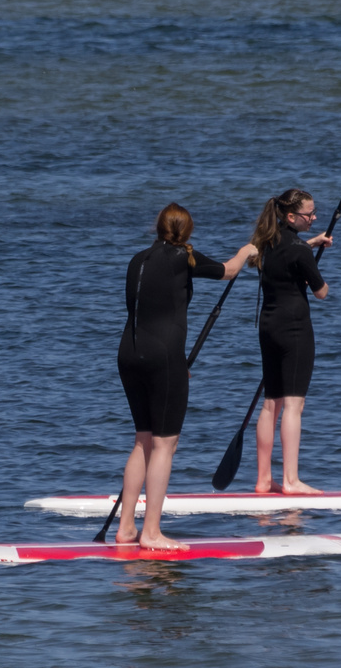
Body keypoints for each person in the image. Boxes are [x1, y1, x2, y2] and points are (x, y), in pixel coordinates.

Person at [114, 203, 251, 548]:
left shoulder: (137, 259)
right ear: (186, 232)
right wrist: (248, 249)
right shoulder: (182, 257)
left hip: (129, 355)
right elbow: (229, 270)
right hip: (163, 358)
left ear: (157, 227)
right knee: (165, 444)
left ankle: (126, 527)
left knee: (143, 439)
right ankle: (152, 533)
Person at [242, 189, 333, 495]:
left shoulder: (267, 242)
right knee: (294, 405)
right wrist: (312, 273)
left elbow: (288, 254)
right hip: (294, 329)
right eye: (310, 214)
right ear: (292, 216)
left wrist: (312, 242)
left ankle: (264, 479)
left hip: (268, 327)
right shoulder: (299, 252)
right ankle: (292, 480)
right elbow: (321, 292)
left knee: (271, 405)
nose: (315, 217)